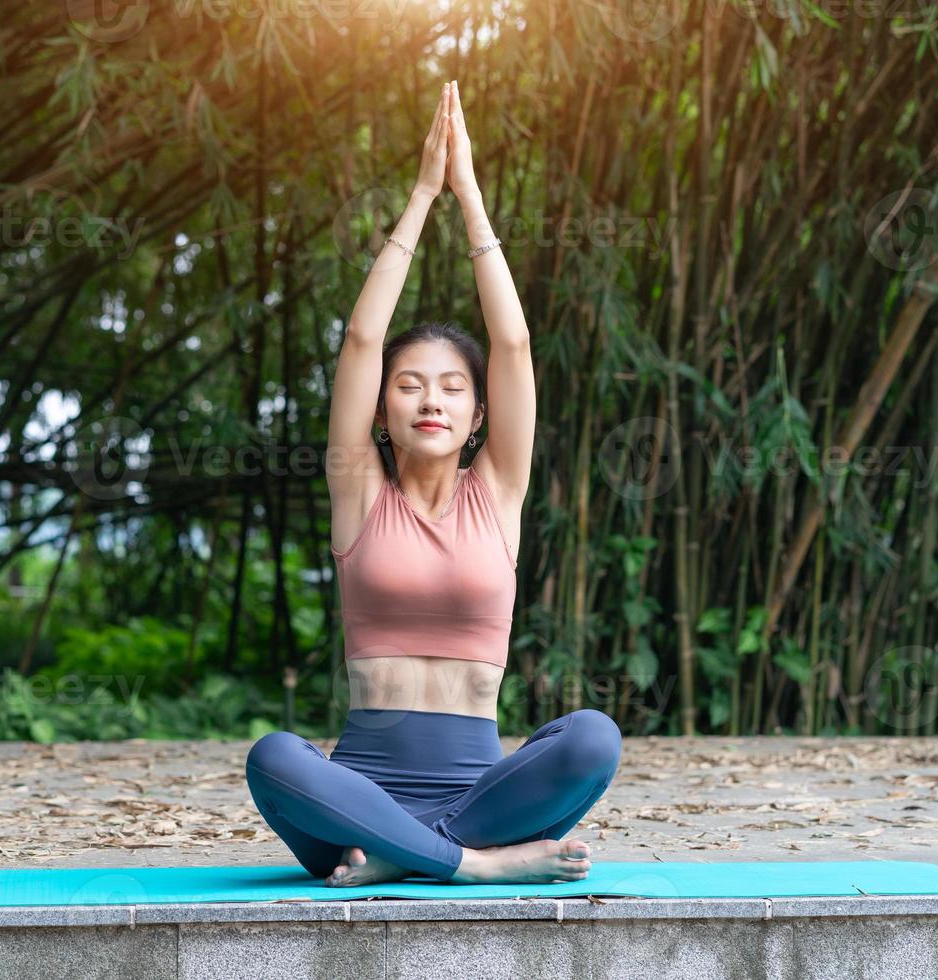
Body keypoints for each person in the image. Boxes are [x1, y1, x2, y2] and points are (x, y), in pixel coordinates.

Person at [245, 80, 622, 887]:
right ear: (383, 409)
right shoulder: (359, 492)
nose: (430, 399)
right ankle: (471, 869)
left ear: (479, 415)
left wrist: (470, 194)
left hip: (483, 796)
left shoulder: (501, 493)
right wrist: (420, 194)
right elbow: (359, 339)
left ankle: (417, 857)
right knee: (274, 757)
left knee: (594, 737)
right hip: (352, 803)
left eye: (452, 387)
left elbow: (513, 344)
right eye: (410, 384)